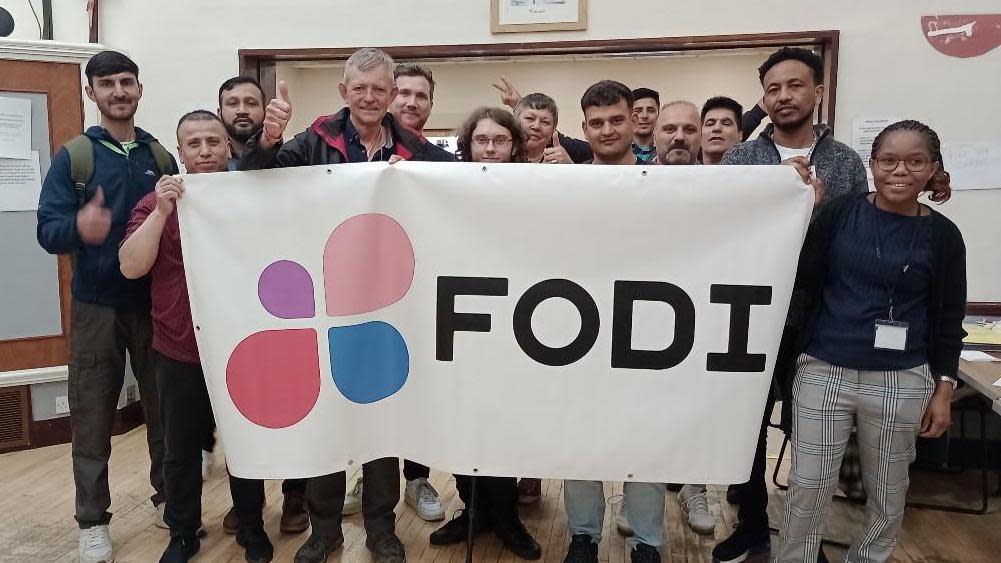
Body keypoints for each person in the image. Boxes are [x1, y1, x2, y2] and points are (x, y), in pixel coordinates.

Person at [241, 47, 454, 563]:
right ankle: (326, 529)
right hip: (322, 304)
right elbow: (254, 176)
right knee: (327, 422)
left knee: (381, 422)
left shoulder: (415, 148)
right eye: (359, 88)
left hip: (389, 310)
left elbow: (460, 189)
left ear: (392, 93)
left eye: (380, 89)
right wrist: (267, 137)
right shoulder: (312, 141)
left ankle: (382, 529)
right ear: (344, 91)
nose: (369, 97)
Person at [777, 120, 964, 562]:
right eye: (889, 160)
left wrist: (944, 387)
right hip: (824, 368)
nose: (900, 171)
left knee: (887, 488)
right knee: (808, 485)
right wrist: (805, 214)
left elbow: (949, 316)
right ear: (873, 164)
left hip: (901, 379)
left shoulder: (943, 236)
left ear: (932, 168)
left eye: (915, 161)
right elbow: (800, 276)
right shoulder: (841, 213)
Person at [713, 46, 868, 563]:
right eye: (773, 89)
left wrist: (815, 212)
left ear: (818, 92)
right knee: (747, 429)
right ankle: (751, 524)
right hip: (749, 314)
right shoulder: (742, 159)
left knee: (810, 434)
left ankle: (805, 536)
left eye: (795, 86)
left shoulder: (844, 162)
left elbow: (854, 244)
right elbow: (725, 236)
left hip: (818, 317)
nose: (783, 97)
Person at [119, 110, 274, 563]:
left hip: (241, 345)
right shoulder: (155, 203)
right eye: (194, 144)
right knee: (180, 449)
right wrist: (163, 212)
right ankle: (182, 532)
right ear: (179, 151)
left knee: (247, 443)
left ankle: (251, 524)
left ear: (228, 146)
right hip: (178, 346)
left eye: (213, 142)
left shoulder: (250, 199)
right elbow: (131, 266)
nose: (204, 152)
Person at [36, 50, 173, 563]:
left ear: (139, 89)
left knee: (164, 413)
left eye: (127, 82)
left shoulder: (160, 157)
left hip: (154, 306)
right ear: (91, 92)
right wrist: (79, 228)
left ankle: (168, 499)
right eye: (107, 83)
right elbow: (47, 231)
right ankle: (92, 521)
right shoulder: (75, 157)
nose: (119, 91)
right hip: (96, 308)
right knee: (92, 417)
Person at [428, 107, 541, 560]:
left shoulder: (535, 188)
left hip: (518, 321)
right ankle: (473, 509)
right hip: (460, 319)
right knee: (464, 420)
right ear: (467, 144)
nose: (490, 148)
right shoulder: (447, 187)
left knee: (505, 419)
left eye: (499, 140)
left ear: (514, 144)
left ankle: (506, 515)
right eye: (481, 140)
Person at [561, 81, 664, 563]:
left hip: (648, 331)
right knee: (579, 435)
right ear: (584, 128)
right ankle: (583, 536)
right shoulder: (565, 184)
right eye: (596, 122)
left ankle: (647, 541)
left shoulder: (669, 185)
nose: (607, 129)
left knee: (645, 439)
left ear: (636, 122)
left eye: (616, 120)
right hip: (577, 333)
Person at [342, 62, 447, 524]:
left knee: (416, 384)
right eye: (400, 92)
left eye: (418, 95)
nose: (407, 101)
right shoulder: (327, 143)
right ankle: (369, 473)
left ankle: (416, 479)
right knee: (365, 388)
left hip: (417, 294)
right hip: (349, 295)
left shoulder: (436, 161)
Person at [214, 75, 311, 536]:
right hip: (230, 304)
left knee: (298, 398)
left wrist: (273, 138)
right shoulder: (202, 168)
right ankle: (246, 500)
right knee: (241, 404)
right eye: (232, 102)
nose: (243, 109)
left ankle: (296, 496)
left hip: (287, 294)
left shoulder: (290, 156)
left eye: (251, 101)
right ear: (221, 111)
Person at [494, 76, 593, 163]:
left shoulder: (562, 155)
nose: (536, 127)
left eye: (545, 122)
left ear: (554, 130)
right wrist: (520, 106)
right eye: (529, 118)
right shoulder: (500, 153)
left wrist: (569, 168)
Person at [699, 96, 743, 165]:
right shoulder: (681, 174)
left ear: (740, 135)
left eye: (726, 123)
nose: (717, 128)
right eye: (710, 124)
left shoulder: (756, 174)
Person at [631, 88, 660, 164]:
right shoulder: (619, 151)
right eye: (638, 111)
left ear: (659, 115)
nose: (644, 116)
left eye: (650, 110)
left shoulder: (667, 149)